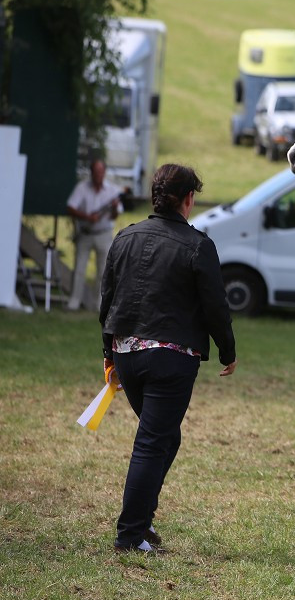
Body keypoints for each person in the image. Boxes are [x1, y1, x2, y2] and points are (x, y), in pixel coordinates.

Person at [100, 164, 237, 553]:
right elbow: (216, 305)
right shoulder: (198, 245)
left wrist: (108, 352)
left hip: (127, 354)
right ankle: (130, 535)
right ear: (189, 199)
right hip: (170, 360)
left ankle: (141, 523)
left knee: (165, 438)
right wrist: (228, 351)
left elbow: (107, 300)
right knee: (152, 442)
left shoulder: (124, 237)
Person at [66, 159, 124, 311]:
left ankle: (99, 304)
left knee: (103, 270)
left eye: (101, 172)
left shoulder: (112, 191)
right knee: (79, 268)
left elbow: (114, 216)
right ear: (91, 172)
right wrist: (87, 217)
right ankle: (74, 301)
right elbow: (71, 207)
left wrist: (114, 208)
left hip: (104, 233)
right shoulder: (82, 188)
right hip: (85, 232)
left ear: (104, 173)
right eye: (95, 172)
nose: (98, 174)